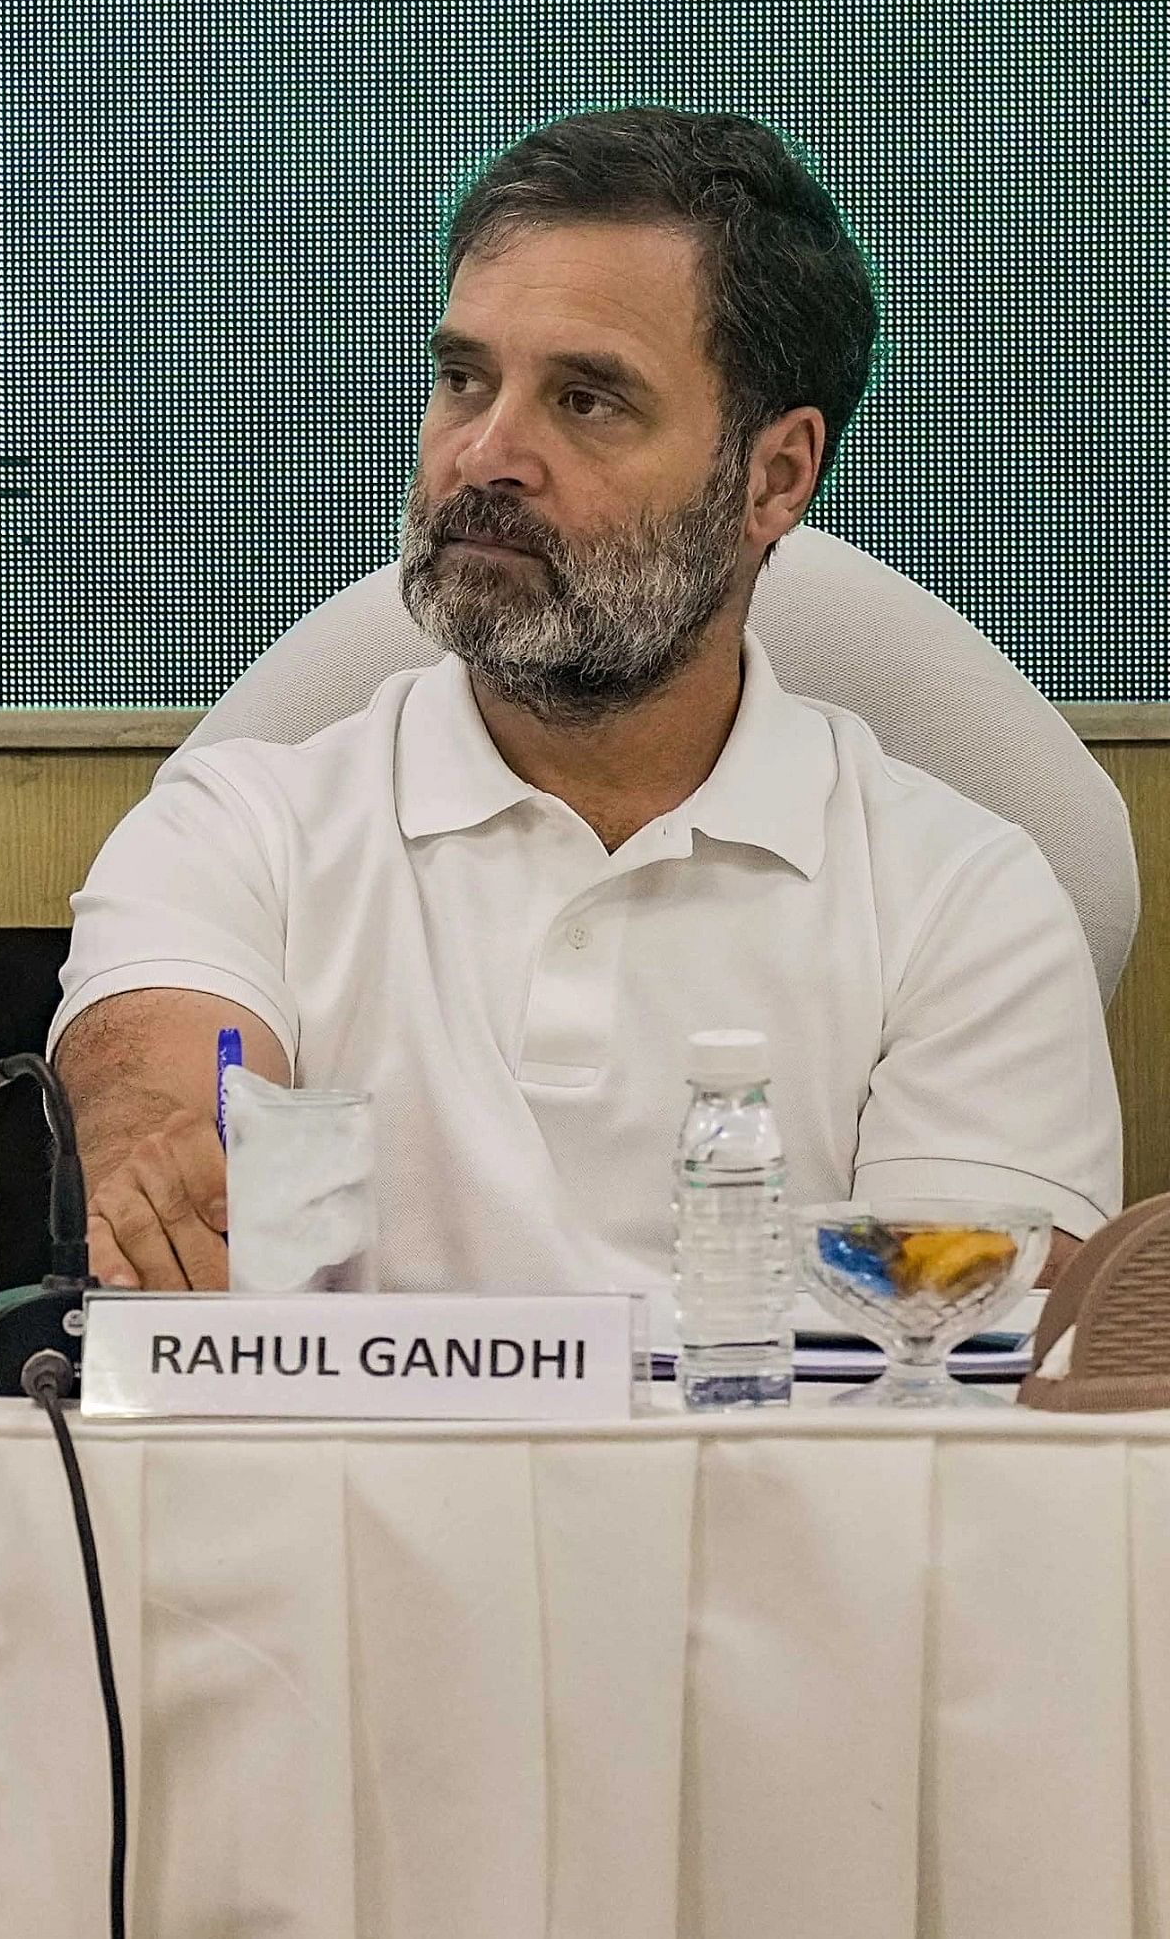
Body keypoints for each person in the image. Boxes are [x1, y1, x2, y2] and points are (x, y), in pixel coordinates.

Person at [56, 106, 1119, 1293]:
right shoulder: (241, 824)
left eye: (586, 400)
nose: (484, 454)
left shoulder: (965, 899)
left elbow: (957, 1367)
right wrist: (176, 1155)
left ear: (774, 477)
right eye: (464, 379)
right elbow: (166, 1079)